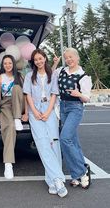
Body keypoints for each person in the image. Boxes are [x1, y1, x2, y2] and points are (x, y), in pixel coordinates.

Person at [23, 49, 68, 197]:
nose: (38, 61)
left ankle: (54, 180)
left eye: (40, 59)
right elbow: (27, 95)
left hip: (49, 109)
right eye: (36, 60)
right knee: (42, 144)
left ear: (44, 59)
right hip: (35, 110)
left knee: (54, 143)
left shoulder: (52, 75)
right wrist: (35, 112)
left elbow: (54, 94)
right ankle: (57, 179)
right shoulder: (30, 76)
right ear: (33, 62)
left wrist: (48, 112)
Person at [53, 47, 92, 189]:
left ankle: (82, 171)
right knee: (73, 141)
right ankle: (77, 174)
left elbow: (87, 98)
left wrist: (78, 94)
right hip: (63, 107)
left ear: (77, 58)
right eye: (66, 58)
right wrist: (56, 63)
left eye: (71, 57)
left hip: (76, 107)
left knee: (65, 139)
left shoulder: (84, 76)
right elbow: (50, 75)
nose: (69, 60)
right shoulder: (61, 71)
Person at [0, 54, 26, 180]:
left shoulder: (19, 76)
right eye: (5, 63)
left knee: (17, 88)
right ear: (3, 65)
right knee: (9, 127)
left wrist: (26, 113)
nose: (7, 65)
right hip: (6, 104)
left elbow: (26, 95)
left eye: (10, 63)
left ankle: (17, 118)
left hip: (19, 103)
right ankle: (8, 164)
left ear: (13, 64)